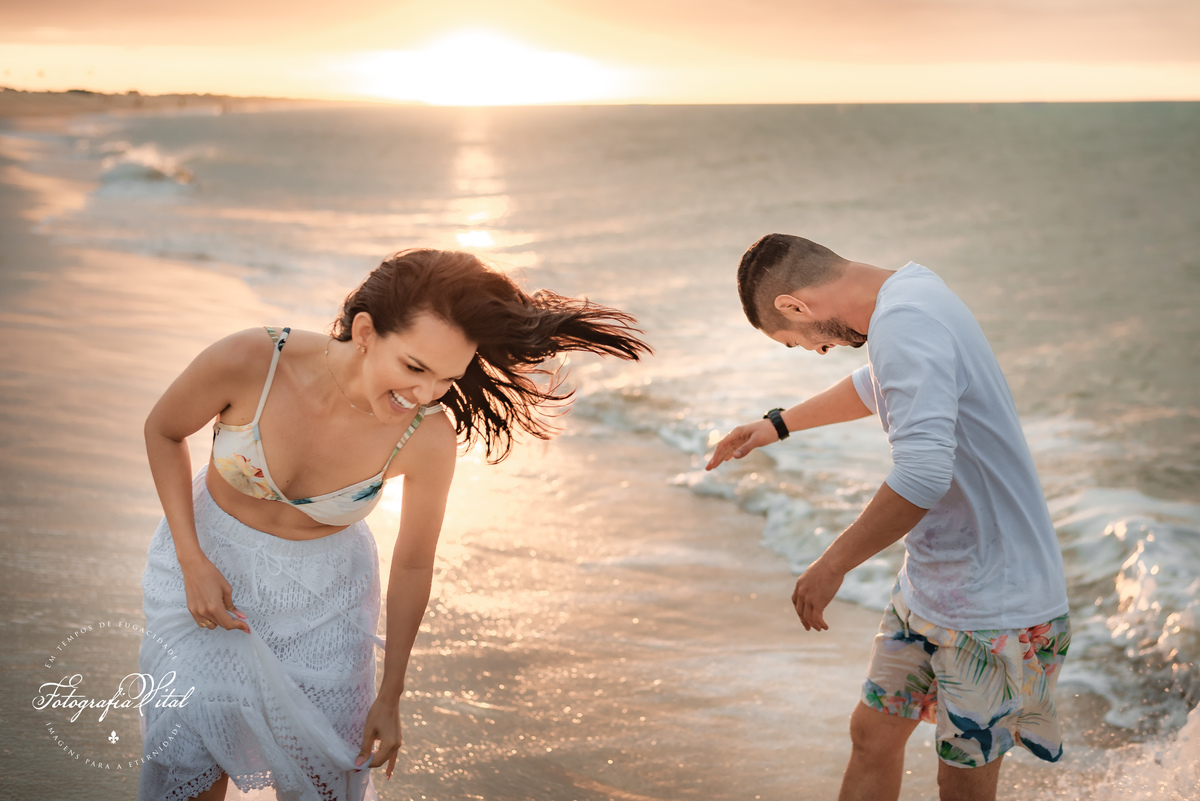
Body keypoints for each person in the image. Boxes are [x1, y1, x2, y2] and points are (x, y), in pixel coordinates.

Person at [138, 248, 650, 801]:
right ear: (365, 332)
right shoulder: (254, 360)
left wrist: (391, 693)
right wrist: (193, 560)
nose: (426, 394)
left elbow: (412, 561)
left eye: (446, 379)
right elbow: (163, 430)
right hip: (208, 571)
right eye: (414, 367)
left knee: (322, 786)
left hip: (324, 604)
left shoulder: (427, 437)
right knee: (188, 776)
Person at [706, 234, 1070, 801]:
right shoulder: (910, 291)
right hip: (932, 586)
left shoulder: (906, 323)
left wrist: (832, 564)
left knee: (962, 782)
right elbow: (879, 384)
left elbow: (922, 475)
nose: (815, 351)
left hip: (993, 602)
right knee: (872, 734)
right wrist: (776, 425)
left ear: (794, 306)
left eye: (794, 341)